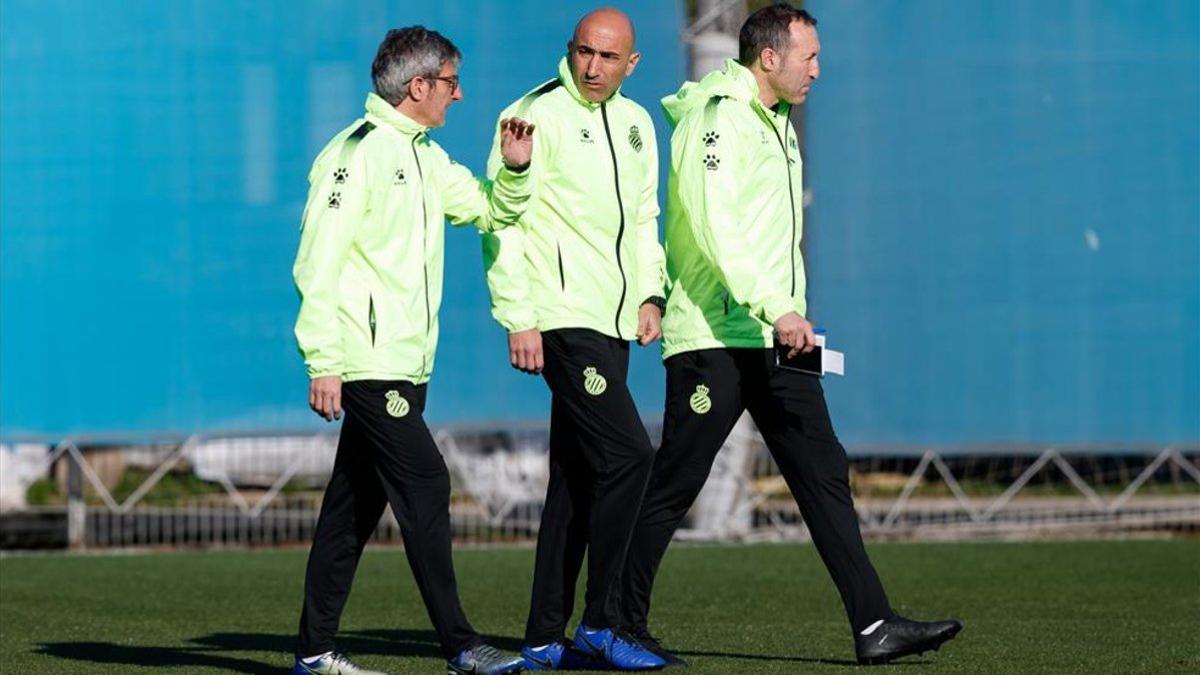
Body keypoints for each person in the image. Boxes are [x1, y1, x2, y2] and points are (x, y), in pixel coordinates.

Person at [618, 5, 963, 667]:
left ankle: (874, 625)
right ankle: (613, 621)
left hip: (775, 336)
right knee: (676, 481)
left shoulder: (777, 123)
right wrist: (777, 305)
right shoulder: (717, 119)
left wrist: (784, 314)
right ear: (768, 57)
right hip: (716, 336)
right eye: (809, 56)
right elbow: (719, 228)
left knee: (824, 471)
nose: (818, 69)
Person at [291, 26, 536, 675]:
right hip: (369, 365)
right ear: (418, 85)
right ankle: (460, 644)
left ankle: (315, 651)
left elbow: (489, 211)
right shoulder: (356, 153)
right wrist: (324, 360)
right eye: (451, 83)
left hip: (405, 364)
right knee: (428, 481)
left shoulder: (426, 156)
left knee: (352, 508)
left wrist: (514, 171)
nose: (459, 95)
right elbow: (318, 263)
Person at [479, 7, 667, 672]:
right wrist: (519, 315)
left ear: (631, 64)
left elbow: (644, 219)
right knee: (630, 456)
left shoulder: (640, 125)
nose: (593, 67)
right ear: (570, 49)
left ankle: (540, 637)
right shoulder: (531, 116)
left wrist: (650, 292)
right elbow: (501, 224)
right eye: (585, 52)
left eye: (609, 58)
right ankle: (602, 621)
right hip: (561, 320)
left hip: (615, 321)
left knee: (577, 478)